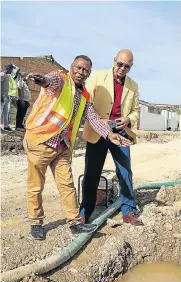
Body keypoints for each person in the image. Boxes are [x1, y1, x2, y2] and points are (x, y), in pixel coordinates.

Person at [24, 55, 131, 240]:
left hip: (62, 145)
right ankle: (36, 222)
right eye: (78, 68)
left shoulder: (84, 95)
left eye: (85, 70)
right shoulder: (61, 79)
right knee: (36, 186)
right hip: (41, 140)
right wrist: (42, 80)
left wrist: (109, 134)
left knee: (67, 185)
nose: (81, 72)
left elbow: (94, 119)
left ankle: (74, 223)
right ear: (71, 67)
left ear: (89, 73)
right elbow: (50, 81)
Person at [80, 49, 143, 226]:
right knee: (92, 172)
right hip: (98, 131)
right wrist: (100, 122)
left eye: (127, 66)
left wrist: (129, 119)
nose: (122, 68)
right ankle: (85, 211)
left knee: (125, 172)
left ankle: (128, 210)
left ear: (131, 67)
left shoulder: (134, 85)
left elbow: (136, 110)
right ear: (114, 60)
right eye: (119, 64)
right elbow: (87, 102)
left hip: (121, 132)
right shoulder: (98, 78)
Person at [0, 62, 15, 131]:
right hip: (2, 96)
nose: (12, 71)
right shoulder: (2, 75)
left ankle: (6, 126)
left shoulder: (7, 76)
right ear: (8, 68)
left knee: (6, 113)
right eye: (11, 69)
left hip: (6, 96)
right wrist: (1, 96)